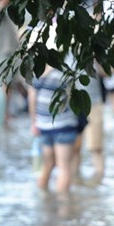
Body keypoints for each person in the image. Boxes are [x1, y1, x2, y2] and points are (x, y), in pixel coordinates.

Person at [29, 64, 81, 194]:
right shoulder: (65, 72)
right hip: (64, 125)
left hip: (43, 126)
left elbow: (32, 98)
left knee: (48, 164)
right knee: (63, 166)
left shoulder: (38, 71)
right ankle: (63, 206)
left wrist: (33, 122)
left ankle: (43, 199)